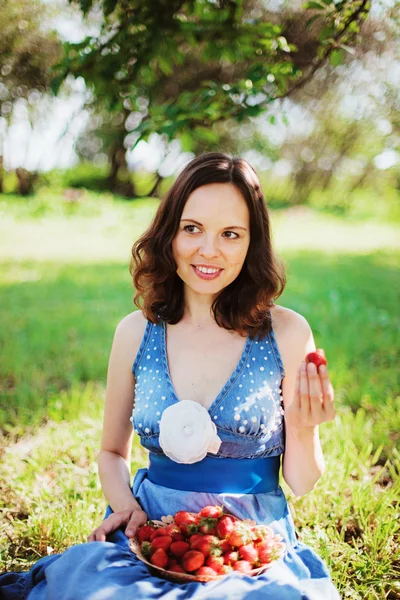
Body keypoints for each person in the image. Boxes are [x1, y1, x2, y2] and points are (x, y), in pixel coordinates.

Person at [0, 152, 341, 600]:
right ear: (170, 233)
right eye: (192, 228)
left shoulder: (287, 333)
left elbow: (302, 481)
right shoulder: (135, 332)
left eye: (231, 234)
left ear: (252, 243)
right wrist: (126, 507)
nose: (209, 250)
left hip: (248, 548)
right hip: (153, 537)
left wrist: (302, 427)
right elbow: (109, 451)